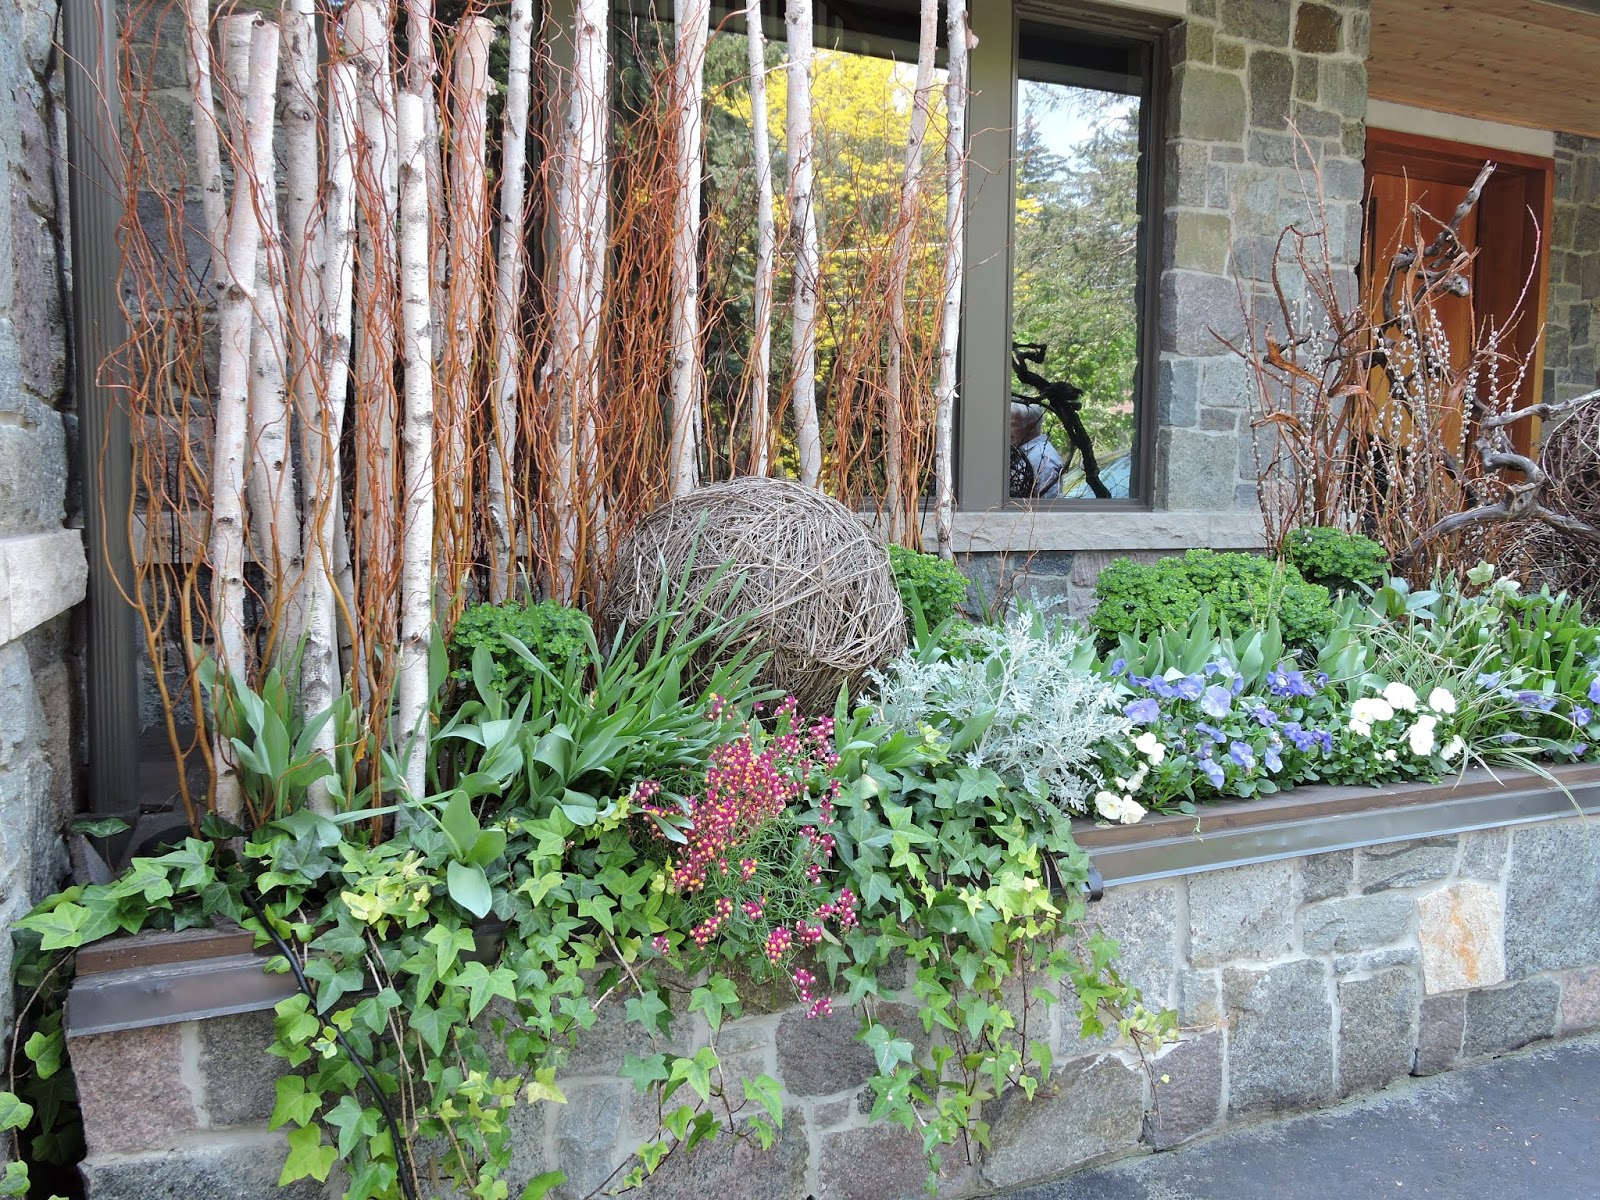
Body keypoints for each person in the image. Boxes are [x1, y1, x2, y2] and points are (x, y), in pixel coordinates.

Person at [1010, 401, 1063, 498]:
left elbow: (1049, 503)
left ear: (1031, 427)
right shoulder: (1024, 453)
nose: (1007, 430)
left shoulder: (1042, 458)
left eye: (1012, 425)